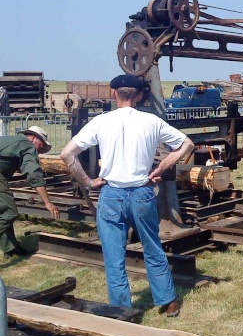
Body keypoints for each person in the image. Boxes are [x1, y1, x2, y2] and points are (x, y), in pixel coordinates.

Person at [60, 74, 195, 316]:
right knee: (152, 247)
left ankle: (122, 310)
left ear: (114, 94)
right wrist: (160, 168)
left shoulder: (101, 122)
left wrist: (88, 182)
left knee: (114, 256)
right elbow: (187, 144)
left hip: (111, 195)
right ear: (140, 95)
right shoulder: (152, 121)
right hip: (142, 192)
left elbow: (67, 154)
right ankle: (168, 301)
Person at [0, 126, 60, 257]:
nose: (39, 151)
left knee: (3, 211)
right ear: (34, 139)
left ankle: (10, 248)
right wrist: (48, 203)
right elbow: (34, 175)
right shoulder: (27, 145)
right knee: (9, 212)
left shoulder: (12, 141)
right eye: (41, 146)